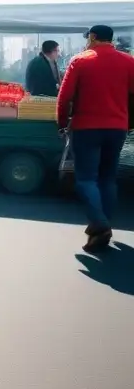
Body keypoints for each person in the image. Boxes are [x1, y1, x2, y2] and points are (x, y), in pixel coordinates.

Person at [56, 25, 134, 252]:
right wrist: (129, 124)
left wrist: (62, 123)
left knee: (85, 179)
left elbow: (65, 96)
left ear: (92, 37)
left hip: (87, 127)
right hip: (117, 128)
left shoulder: (81, 61)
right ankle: (103, 223)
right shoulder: (129, 62)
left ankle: (100, 224)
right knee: (108, 179)